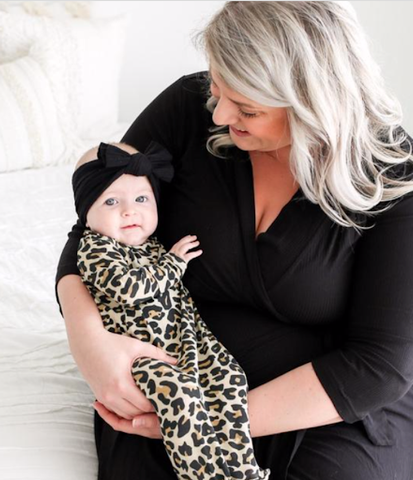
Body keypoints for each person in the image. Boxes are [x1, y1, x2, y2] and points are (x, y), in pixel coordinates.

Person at [56, 2, 413, 479]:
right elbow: (91, 228)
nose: (221, 113)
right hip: (175, 378)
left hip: (324, 408)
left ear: (313, 101)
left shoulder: (392, 176)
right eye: (218, 87)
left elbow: (380, 365)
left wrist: (205, 426)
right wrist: (90, 341)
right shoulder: (190, 107)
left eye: (247, 107)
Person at [72, 140, 270, 480]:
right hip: (142, 355)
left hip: (188, 339)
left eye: (141, 199)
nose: (129, 211)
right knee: (183, 398)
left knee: (230, 378)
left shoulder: (151, 244)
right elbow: (130, 288)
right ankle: (206, 476)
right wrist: (173, 264)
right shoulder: (94, 249)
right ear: (86, 213)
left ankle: (240, 469)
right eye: (110, 201)